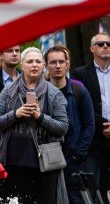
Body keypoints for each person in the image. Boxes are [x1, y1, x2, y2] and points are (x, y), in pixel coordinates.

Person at [0, 47, 69, 203]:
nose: (34, 65)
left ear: (43, 66)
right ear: (22, 65)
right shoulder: (8, 91)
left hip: (45, 163)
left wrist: (40, 117)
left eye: (38, 61)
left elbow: (63, 127)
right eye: (30, 61)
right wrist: (16, 114)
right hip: (13, 161)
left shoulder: (54, 93)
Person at [72, 32, 110, 199]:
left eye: (109, 44)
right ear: (92, 48)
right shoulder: (80, 73)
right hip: (94, 138)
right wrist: (104, 125)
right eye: (101, 44)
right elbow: (82, 107)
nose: (105, 46)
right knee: (93, 186)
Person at [45, 45, 95, 204]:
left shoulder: (79, 89)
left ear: (68, 64)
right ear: (46, 66)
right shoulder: (40, 91)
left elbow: (89, 124)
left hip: (74, 160)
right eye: (53, 62)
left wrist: (78, 153)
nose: (58, 66)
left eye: (61, 61)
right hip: (47, 159)